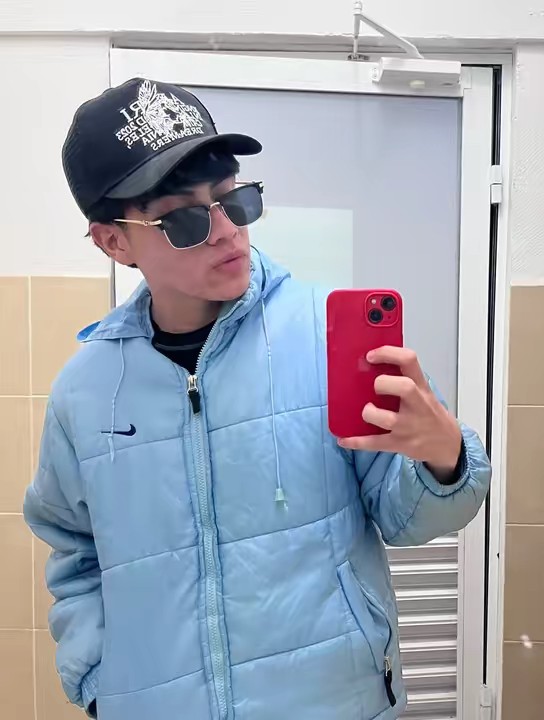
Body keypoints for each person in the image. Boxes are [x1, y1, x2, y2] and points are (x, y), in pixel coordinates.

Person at [23, 77, 491, 720]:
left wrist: (444, 458)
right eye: (184, 219)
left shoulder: (326, 338)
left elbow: (413, 521)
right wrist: (99, 681)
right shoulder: (85, 392)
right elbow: (75, 553)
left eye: (233, 199)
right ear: (114, 241)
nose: (225, 231)